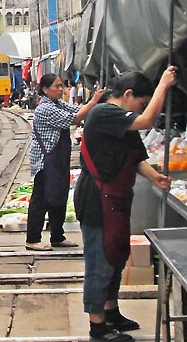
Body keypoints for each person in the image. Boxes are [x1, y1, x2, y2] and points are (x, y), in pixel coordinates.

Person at [74, 68, 176, 342]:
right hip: (97, 197)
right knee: (99, 260)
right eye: (141, 102)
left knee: (116, 256)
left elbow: (135, 158)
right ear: (128, 95)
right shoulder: (104, 113)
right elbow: (145, 120)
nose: (142, 108)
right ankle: (98, 327)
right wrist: (163, 85)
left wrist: (155, 176)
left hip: (116, 197)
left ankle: (111, 312)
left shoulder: (122, 122)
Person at [26, 73, 103, 251]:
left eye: (62, 86)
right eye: (57, 86)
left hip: (58, 160)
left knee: (59, 196)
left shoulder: (57, 104)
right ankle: (32, 238)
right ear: (45, 89)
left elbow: (76, 111)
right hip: (46, 161)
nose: (61, 89)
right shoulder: (44, 108)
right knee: (41, 198)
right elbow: (74, 119)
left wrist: (93, 102)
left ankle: (57, 236)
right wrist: (93, 102)